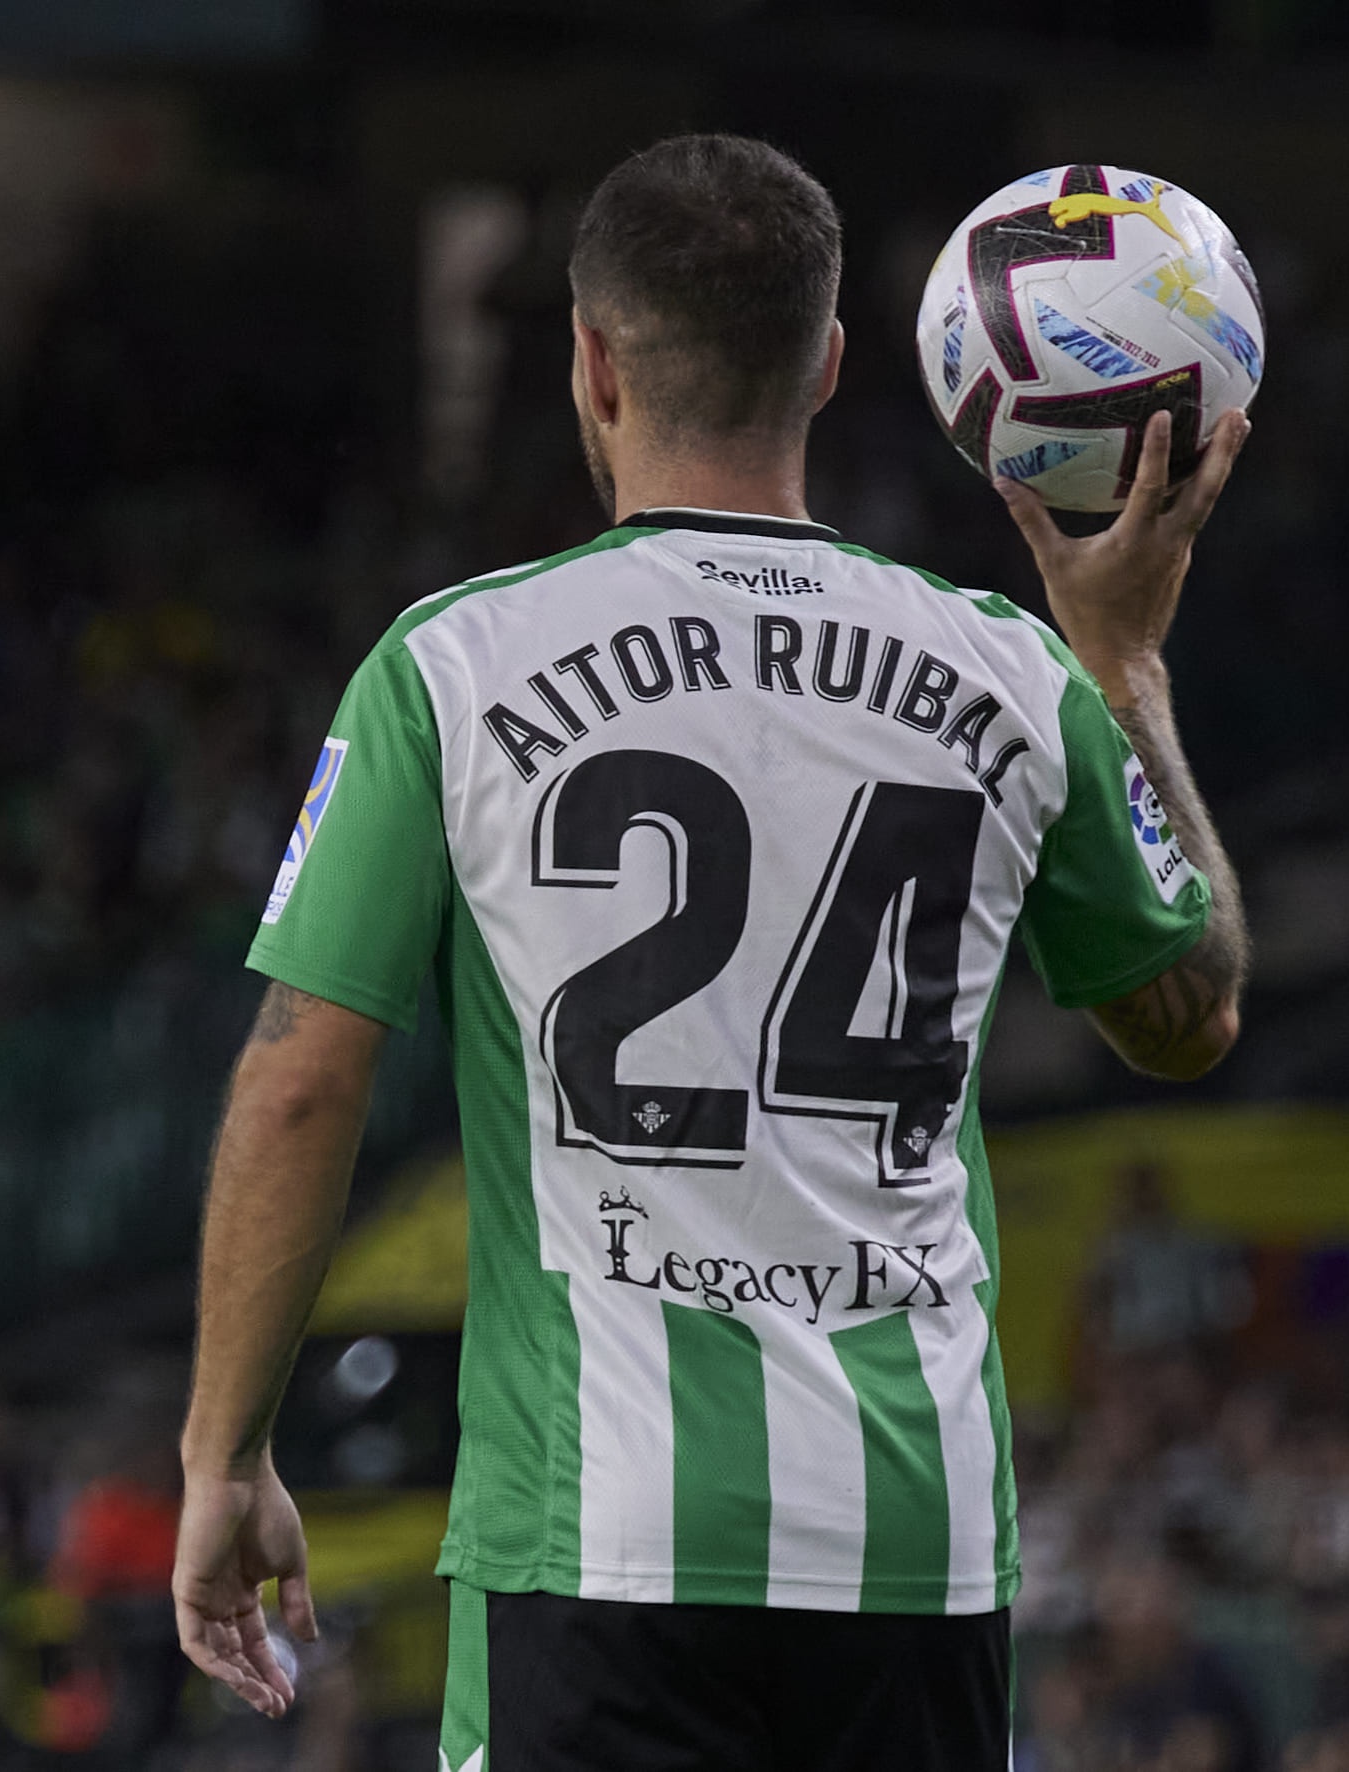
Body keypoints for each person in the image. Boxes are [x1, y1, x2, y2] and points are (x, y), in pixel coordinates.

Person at [174, 133, 1251, 1771]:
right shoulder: (1011, 671)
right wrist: (1127, 669)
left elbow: (301, 1080)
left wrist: (223, 1452)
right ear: (825, 365)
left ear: (590, 364)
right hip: (911, 1540)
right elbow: (1191, 1010)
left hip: (597, 1537)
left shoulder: (449, 669)